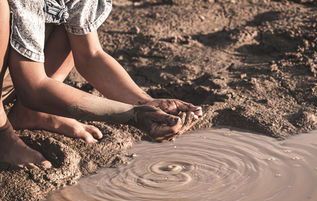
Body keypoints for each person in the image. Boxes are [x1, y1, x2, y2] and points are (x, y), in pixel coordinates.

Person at [0, 0, 202, 169]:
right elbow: (33, 88)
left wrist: (146, 102)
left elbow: (90, 55)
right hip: (23, 80)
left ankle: (32, 113)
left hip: (20, 75)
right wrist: (132, 115)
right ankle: (3, 137)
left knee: (74, 21)